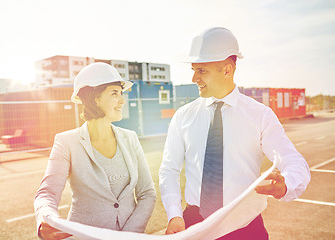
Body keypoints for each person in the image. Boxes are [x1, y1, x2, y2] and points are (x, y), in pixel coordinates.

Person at [159, 27, 310, 239]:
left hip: (245, 227)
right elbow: (169, 169)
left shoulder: (260, 116)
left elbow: (294, 161)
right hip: (193, 225)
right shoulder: (183, 116)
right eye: (193, 69)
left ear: (227, 70)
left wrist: (287, 182)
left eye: (202, 71)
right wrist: (174, 215)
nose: (194, 78)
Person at [34, 62, 156, 239]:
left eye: (121, 93)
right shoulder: (66, 141)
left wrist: (128, 235)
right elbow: (47, 193)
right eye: (115, 93)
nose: (122, 100)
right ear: (94, 98)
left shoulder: (130, 138)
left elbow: (147, 193)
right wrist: (47, 217)